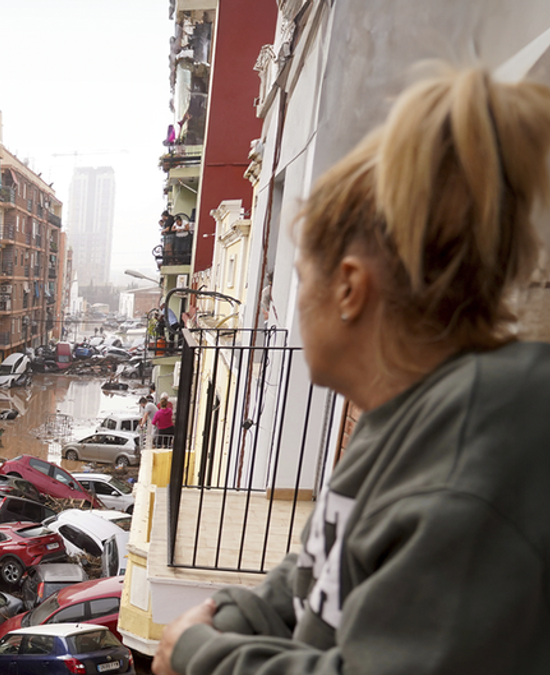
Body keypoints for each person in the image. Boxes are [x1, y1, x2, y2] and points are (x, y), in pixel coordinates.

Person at [153, 67, 550, 675]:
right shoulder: (405, 419)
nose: (287, 303)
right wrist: (225, 620)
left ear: (348, 289)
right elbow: (319, 570)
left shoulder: (474, 463)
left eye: (300, 277)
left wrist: (202, 655)